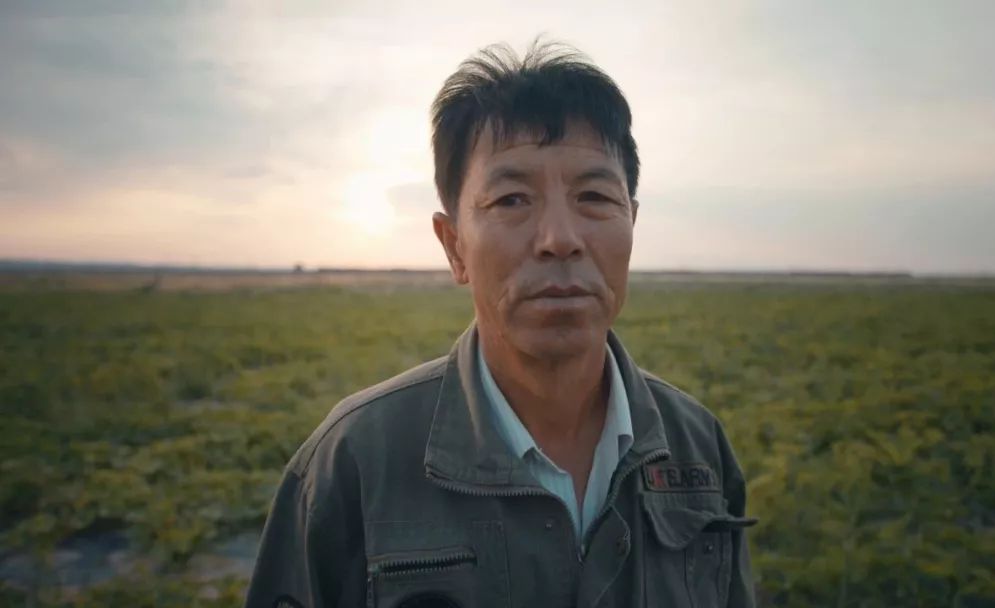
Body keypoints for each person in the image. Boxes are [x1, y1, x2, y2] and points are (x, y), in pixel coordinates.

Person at [245, 39, 756, 608]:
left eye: (594, 196)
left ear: (631, 223)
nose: (560, 238)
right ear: (454, 246)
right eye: (512, 200)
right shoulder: (352, 461)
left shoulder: (697, 445)